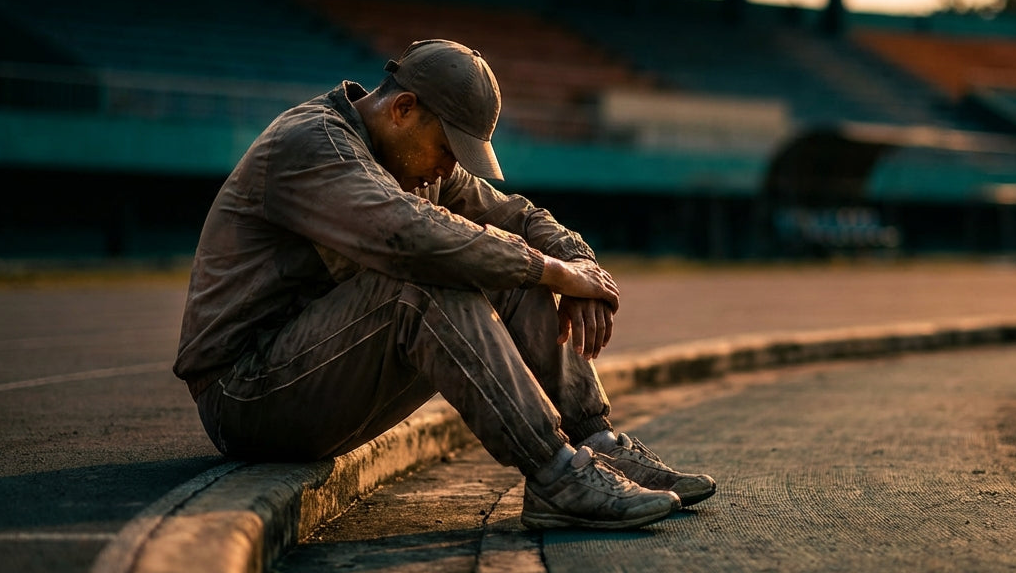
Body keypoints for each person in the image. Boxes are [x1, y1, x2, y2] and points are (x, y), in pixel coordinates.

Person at [173, 39, 714, 530]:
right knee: (429, 282)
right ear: (403, 109)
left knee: (510, 267)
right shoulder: (311, 145)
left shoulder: (416, 159)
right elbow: (409, 236)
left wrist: (579, 268)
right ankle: (556, 475)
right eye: (447, 149)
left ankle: (594, 441)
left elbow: (518, 218)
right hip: (245, 395)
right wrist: (551, 270)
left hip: (319, 377)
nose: (447, 169)